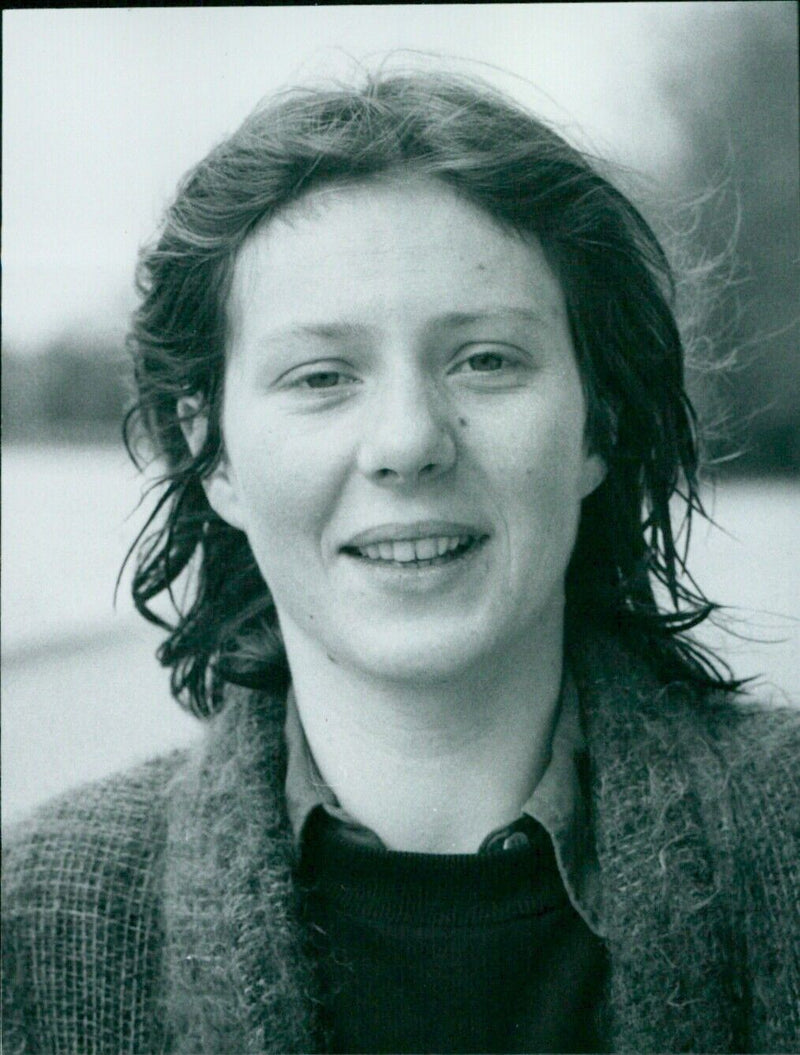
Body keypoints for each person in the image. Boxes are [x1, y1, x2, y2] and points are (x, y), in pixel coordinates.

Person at [3, 68, 799, 1055]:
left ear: (599, 423)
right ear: (210, 456)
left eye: (484, 359)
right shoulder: (34, 914)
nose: (408, 440)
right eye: (320, 375)